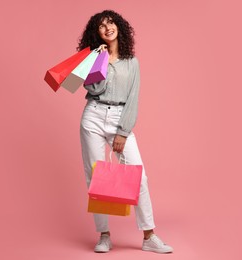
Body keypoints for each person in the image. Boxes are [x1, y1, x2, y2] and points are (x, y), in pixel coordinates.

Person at [78, 10, 173, 254]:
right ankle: (104, 235)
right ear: (96, 33)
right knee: (95, 176)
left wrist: (123, 131)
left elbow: (133, 98)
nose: (107, 28)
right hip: (94, 116)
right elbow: (92, 89)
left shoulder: (132, 62)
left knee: (139, 177)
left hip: (120, 117)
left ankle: (149, 235)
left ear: (119, 26)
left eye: (110, 23)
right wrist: (97, 61)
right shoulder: (93, 57)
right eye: (101, 26)